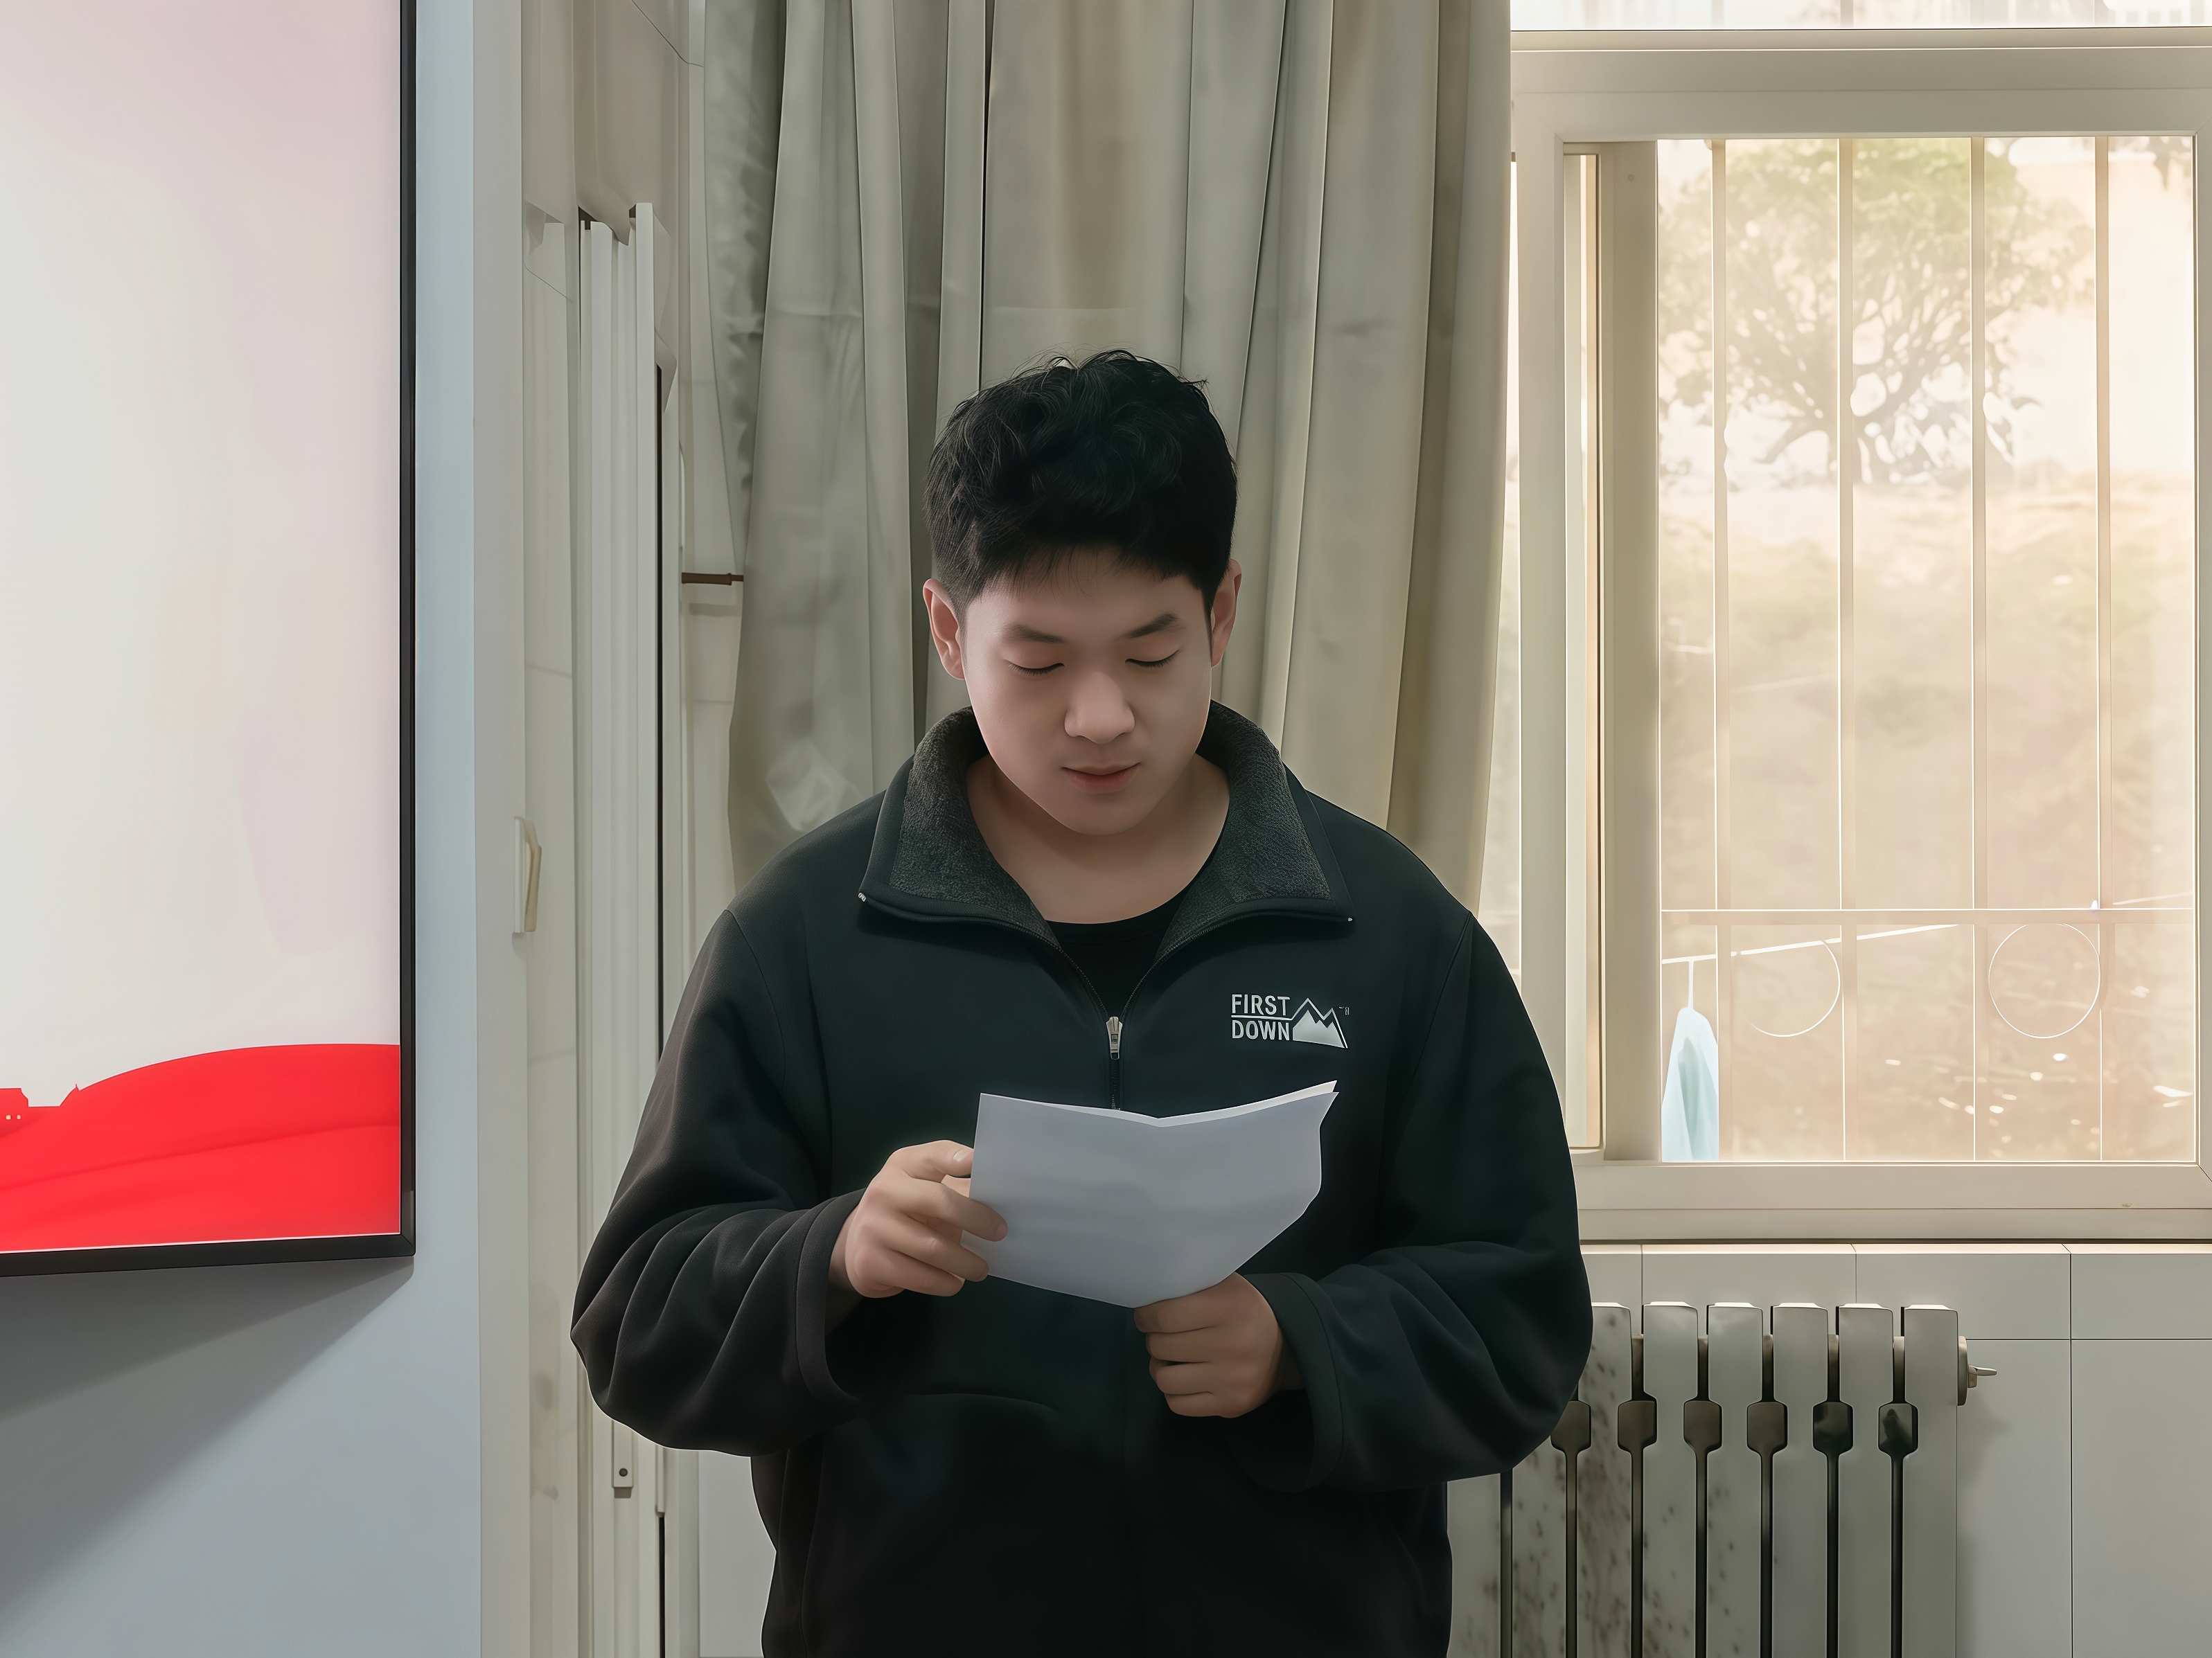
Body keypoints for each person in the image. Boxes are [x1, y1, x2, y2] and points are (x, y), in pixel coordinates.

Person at [572, 350, 1591, 1657]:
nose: (1100, 716)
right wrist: (831, 1255)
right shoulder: (806, 936)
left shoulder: (1386, 930)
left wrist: (1301, 1343)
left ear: (1221, 614)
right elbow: (634, 1322)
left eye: (1150, 652)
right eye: (1040, 660)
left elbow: (1521, 1317)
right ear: (949, 632)